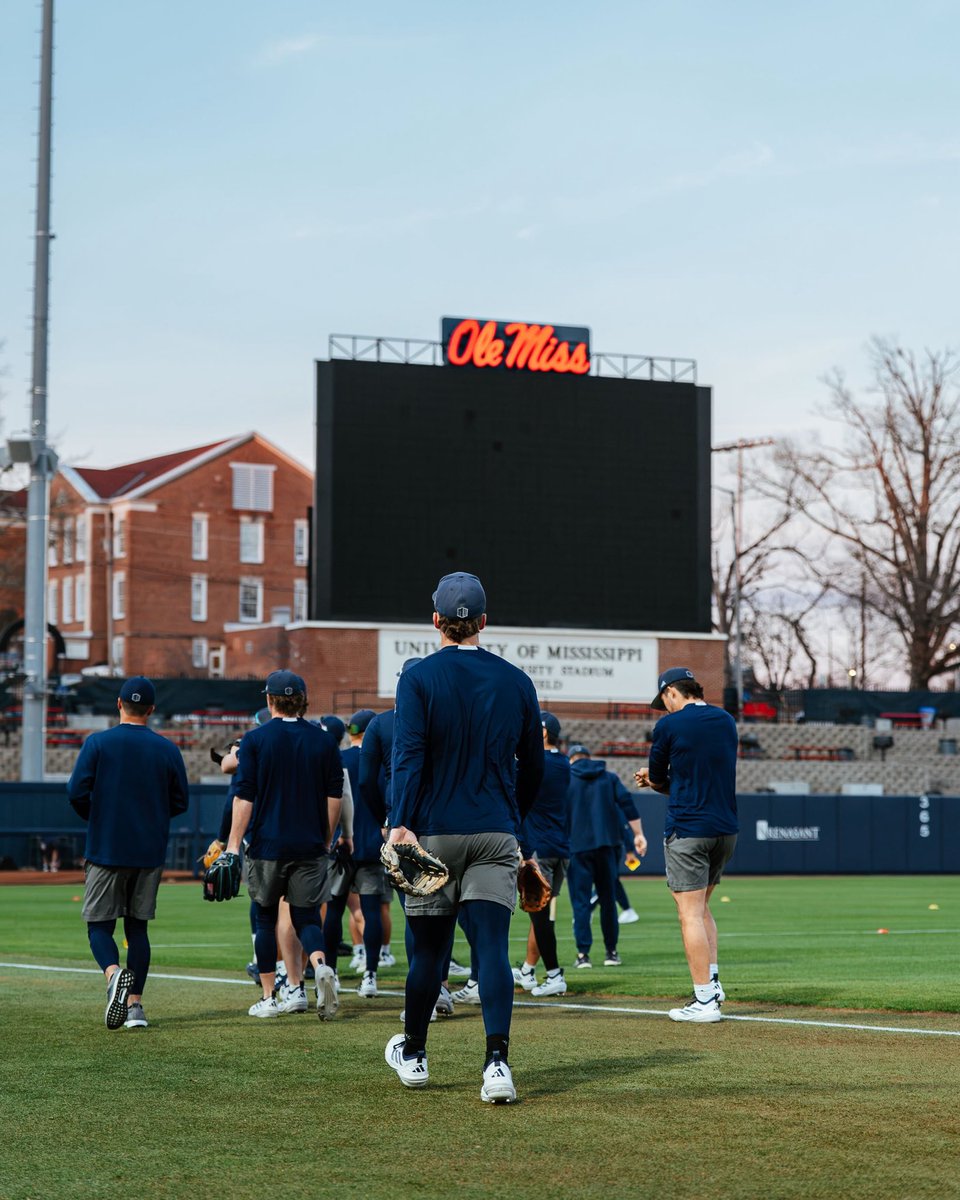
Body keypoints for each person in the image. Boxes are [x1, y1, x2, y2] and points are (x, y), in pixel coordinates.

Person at [383, 571, 543, 1104]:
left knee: (429, 953)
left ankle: (417, 1055)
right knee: (492, 950)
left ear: (436, 621)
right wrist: (511, 822)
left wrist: (399, 821)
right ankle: (497, 1064)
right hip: (495, 831)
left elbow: (408, 757)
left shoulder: (419, 678)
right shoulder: (517, 680)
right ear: (483, 622)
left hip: (432, 832)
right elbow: (534, 767)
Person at [67, 675, 189, 1029]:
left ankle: (113, 973)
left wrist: (98, 817)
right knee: (138, 930)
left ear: (118, 704)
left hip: (106, 848)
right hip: (148, 851)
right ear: (151, 710)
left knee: (99, 928)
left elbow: (76, 792)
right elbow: (180, 801)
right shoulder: (168, 749)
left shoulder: (98, 743)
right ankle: (135, 1006)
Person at [226, 669, 344, 1020]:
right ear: (303, 701)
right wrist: (325, 838)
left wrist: (233, 845)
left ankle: (268, 996)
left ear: (269, 700)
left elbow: (243, 797)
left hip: (267, 844)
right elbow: (334, 797)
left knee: (264, 919)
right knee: (307, 917)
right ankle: (321, 966)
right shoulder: (324, 741)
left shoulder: (255, 740)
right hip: (309, 843)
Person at [635, 666, 738, 1023]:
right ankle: (713, 982)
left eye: (663, 701)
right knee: (704, 908)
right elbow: (703, 768)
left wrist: (653, 782)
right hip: (725, 829)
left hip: (689, 828)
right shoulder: (726, 720)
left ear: (671, 693)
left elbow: (662, 778)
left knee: (689, 914)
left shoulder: (669, 724)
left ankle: (705, 999)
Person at [566, 744, 647, 969]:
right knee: (608, 901)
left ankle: (583, 955)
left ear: (571, 759)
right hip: (608, 847)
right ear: (588, 757)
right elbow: (627, 804)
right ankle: (611, 952)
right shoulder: (609, 778)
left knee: (580, 903)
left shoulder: (566, 777)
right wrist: (638, 834)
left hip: (578, 848)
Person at [512, 711, 572, 997]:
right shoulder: (563, 762)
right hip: (559, 849)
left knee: (540, 918)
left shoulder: (535, 765)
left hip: (539, 849)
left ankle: (555, 974)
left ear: (544, 733)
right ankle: (527, 969)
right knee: (543, 916)